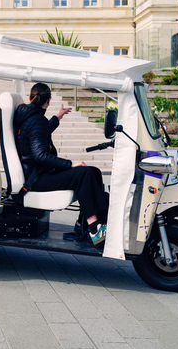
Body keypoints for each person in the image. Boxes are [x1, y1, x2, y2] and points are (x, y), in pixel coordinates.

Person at [13, 82, 109, 245]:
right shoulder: (37, 120)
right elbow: (41, 155)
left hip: (37, 174)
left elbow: (39, 133)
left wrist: (58, 117)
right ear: (48, 101)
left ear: (30, 98)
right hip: (36, 179)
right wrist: (70, 163)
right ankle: (94, 228)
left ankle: (82, 224)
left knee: (94, 172)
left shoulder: (26, 116)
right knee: (83, 173)